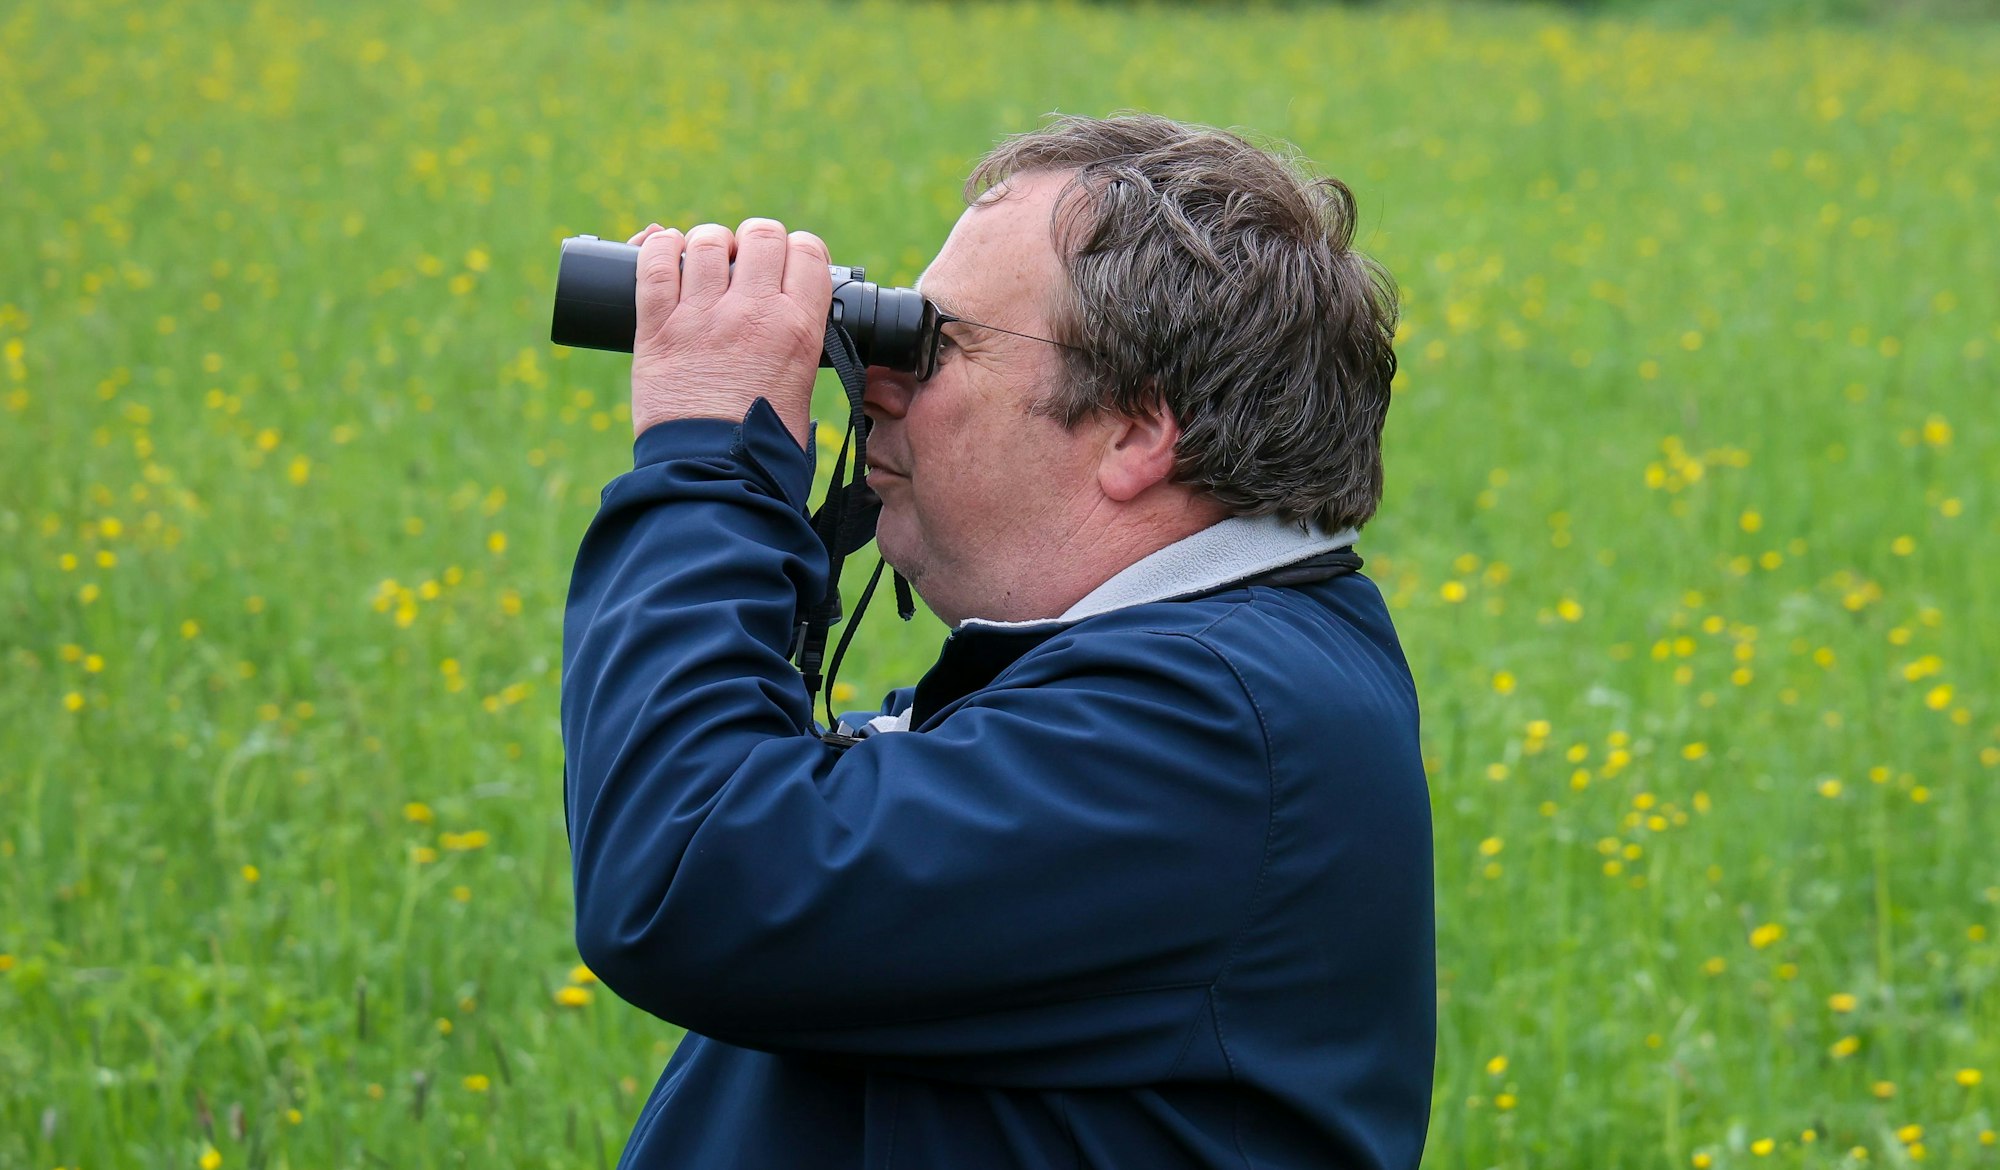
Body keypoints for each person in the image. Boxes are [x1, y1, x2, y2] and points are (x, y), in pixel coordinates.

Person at [561, 113, 1433, 1170]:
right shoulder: (1189, 672)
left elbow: (690, 873)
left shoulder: (1207, 727)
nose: (875, 385)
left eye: (936, 345)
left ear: (1135, 429)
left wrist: (707, 455)